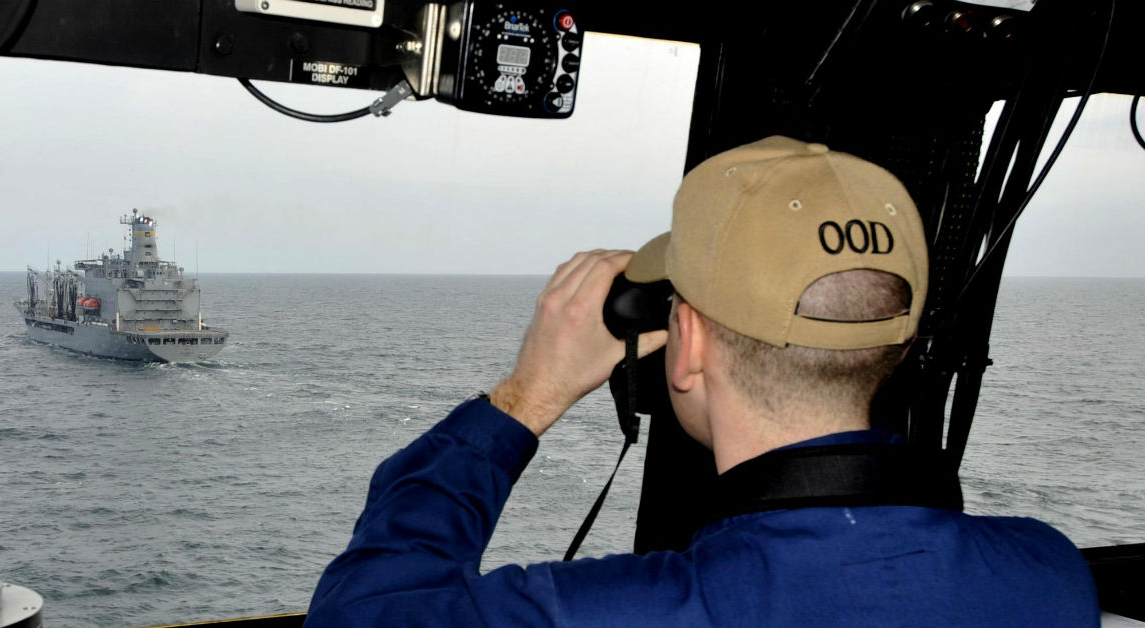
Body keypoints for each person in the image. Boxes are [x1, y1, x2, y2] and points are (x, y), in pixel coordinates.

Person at [305, 136, 1099, 627]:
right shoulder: (1049, 574)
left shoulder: (614, 612)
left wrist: (526, 397)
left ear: (684, 344)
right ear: (897, 344)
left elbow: (358, 618)